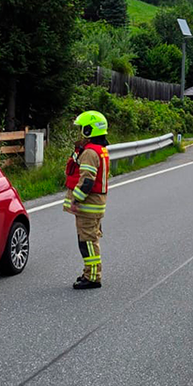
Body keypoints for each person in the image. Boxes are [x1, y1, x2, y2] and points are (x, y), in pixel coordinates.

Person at [64, 111, 111, 289]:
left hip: (88, 205)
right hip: (95, 204)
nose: (80, 132)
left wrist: (76, 200)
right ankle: (89, 272)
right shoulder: (99, 150)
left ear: (90, 130)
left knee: (87, 242)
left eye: (83, 128)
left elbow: (87, 181)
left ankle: (92, 277)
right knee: (89, 240)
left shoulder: (91, 153)